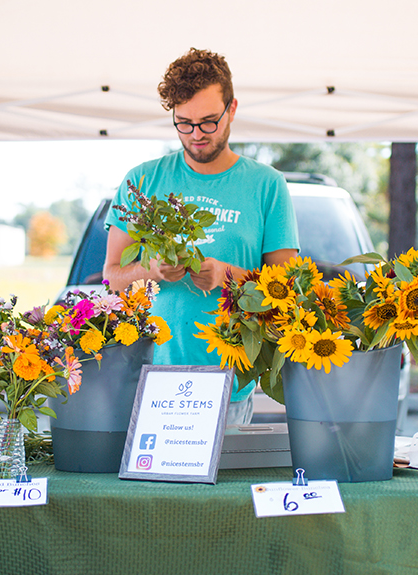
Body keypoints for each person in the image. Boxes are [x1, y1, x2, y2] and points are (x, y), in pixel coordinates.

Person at [103, 48, 299, 426]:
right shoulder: (141, 181)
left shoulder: (266, 186)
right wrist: (153, 269)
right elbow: (112, 277)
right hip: (146, 381)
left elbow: (288, 289)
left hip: (228, 385)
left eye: (209, 122)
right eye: (184, 123)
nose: (196, 135)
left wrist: (225, 274)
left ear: (232, 108)